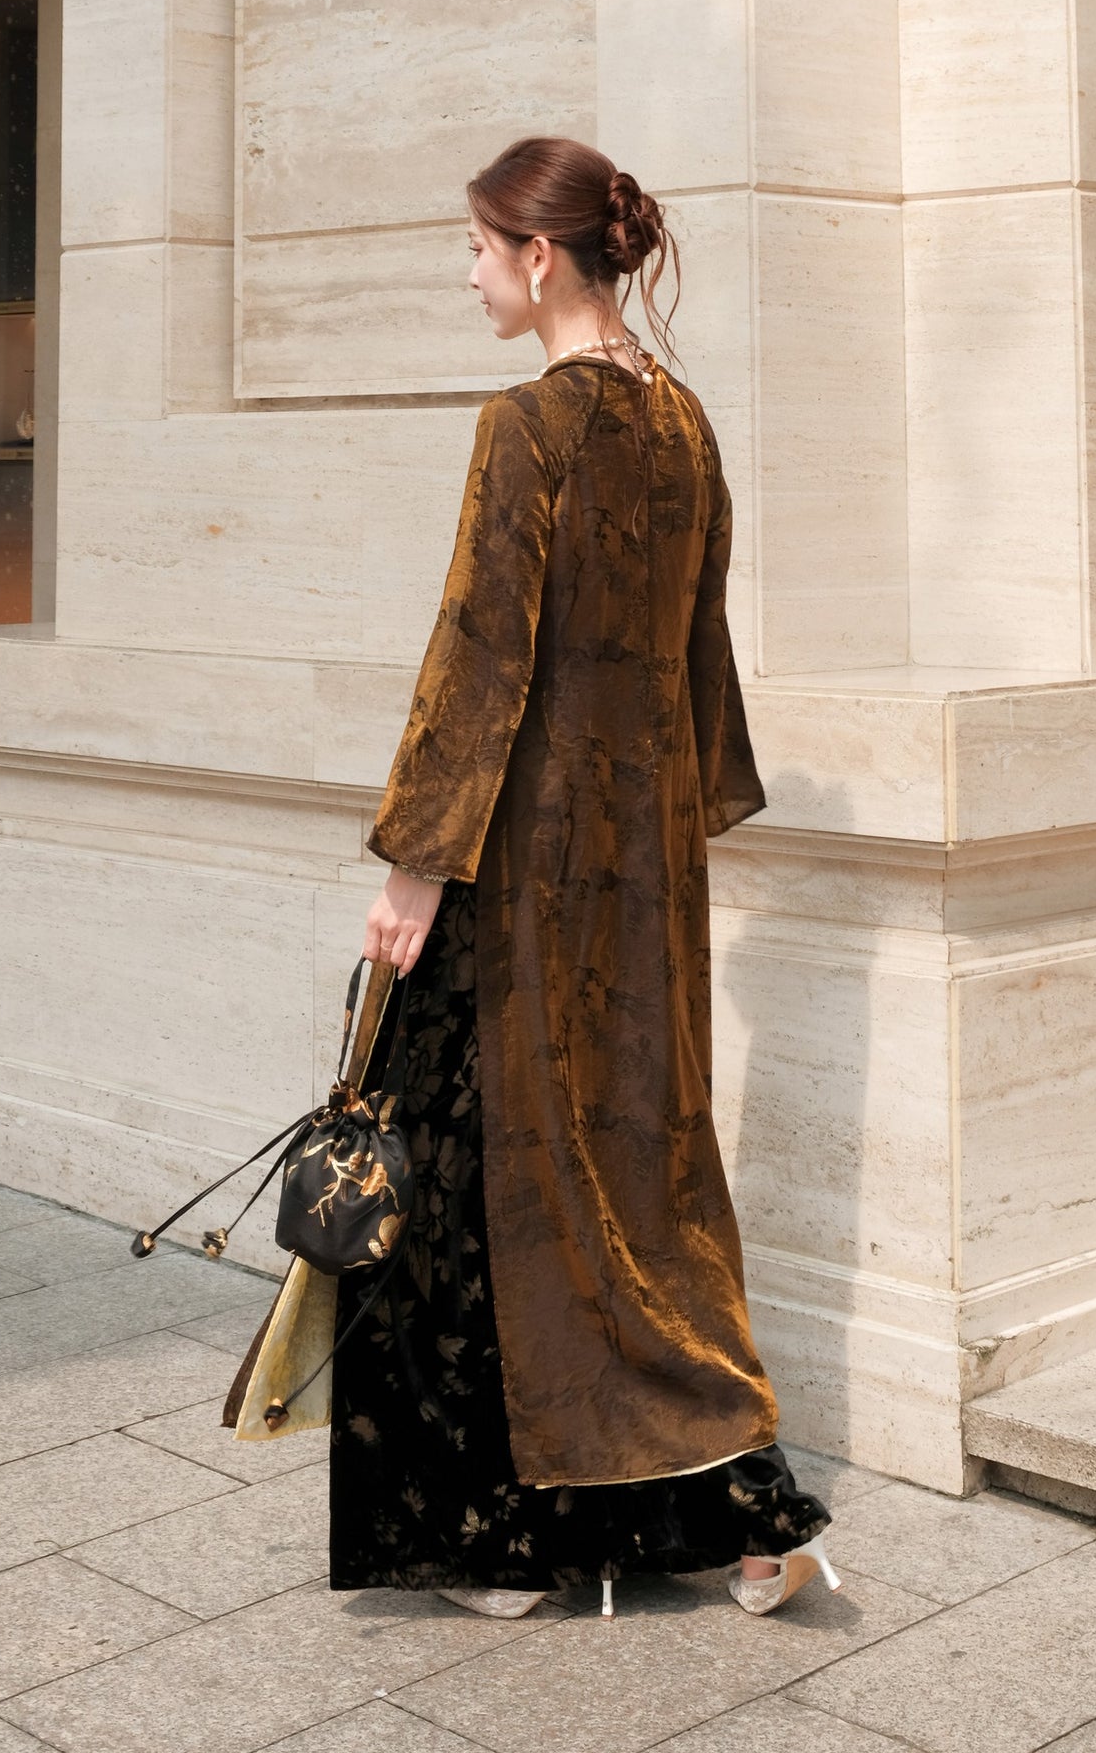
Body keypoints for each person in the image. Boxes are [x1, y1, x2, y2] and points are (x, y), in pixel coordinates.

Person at [329, 135, 838, 1621]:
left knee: (465, 1195)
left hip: (522, 870)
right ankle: (748, 1517)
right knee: (636, 1190)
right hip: (644, 876)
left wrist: (418, 868)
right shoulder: (683, 427)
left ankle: (503, 1544)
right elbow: (702, 669)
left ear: (541, 258)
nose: (469, 272)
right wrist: (671, 835)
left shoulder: (528, 426)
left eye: (481, 248)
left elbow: (478, 659)